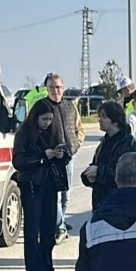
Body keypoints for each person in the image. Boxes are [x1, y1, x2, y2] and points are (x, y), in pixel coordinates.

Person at [12, 100, 70, 271]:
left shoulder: (54, 132)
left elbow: (66, 153)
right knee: (32, 231)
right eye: (44, 119)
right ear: (35, 117)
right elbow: (19, 161)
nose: (47, 123)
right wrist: (42, 157)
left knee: (48, 230)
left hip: (50, 185)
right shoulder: (24, 134)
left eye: (50, 119)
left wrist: (62, 155)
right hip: (32, 186)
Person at [43, 74, 84, 241]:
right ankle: (59, 228)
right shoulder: (42, 107)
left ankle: (61, 222)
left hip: (68, 158)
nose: (55, 91)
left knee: (66, 195)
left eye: (58, 87)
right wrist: (46, 151)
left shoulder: (70, 107)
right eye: (52, 87)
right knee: (56, 195)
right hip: (51, 160)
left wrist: (74, 146)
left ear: (63, 88)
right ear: (47, 89)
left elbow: (79, 130)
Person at [82, 101, 136, 210]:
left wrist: (99, 171)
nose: (100, 120)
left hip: (119, 202)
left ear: (115, 121)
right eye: (100, 116)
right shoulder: (105, 141)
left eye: (104, 117)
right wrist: (89, 176)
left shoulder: (128, 143)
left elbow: (127, 174)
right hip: (101, 201)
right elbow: (96, 165)